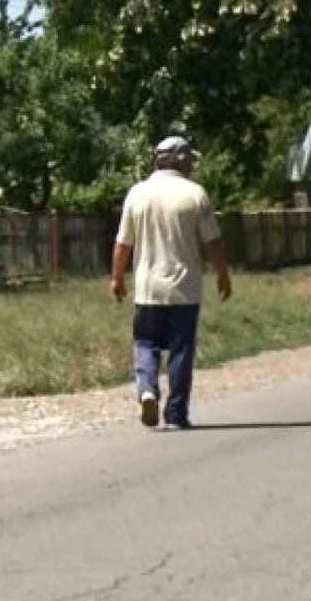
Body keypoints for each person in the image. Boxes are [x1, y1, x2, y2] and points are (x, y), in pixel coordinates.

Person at [111, 135, 232, 430]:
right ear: (180, 160)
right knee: (181, 349)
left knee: (145, 342)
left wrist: (117, 277)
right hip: (184, 289)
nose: (192, 164)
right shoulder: (194, 194)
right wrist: (222, 273)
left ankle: (147, 390)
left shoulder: (138, 194)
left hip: (148, 288)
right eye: (190, 159)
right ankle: (176, 414)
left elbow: (123, 243)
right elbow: (213, 241)